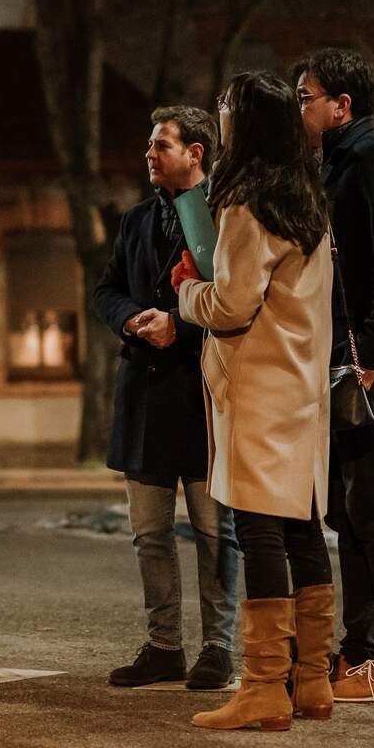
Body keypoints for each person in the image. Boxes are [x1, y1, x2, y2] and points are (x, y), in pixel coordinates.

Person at [171, 72, 335, 731]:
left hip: (256, 382)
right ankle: (312, 681)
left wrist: (186, 292)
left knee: (257, 528)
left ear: (246, 123)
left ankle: (263, 688)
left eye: (225, 111)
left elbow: (233, 303)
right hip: (300, 384)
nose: (221, 121)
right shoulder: (305, 198)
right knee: (300, 527)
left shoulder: (245, 203)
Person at [92, 106, 239, 691]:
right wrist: (131, 319)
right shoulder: (134, 221)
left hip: (203, 395)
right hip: (145, 398)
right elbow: (107, 288)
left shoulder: (224, 219)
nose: (149, 155)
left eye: (161, 145)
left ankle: (218, 647)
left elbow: (237, 301)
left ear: (195, 152)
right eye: (149, 146)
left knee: (214, 531)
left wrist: (181, 324)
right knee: (149, 533)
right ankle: (163, 647)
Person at [294, 47, 374, 703]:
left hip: (367, 367)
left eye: (306, 96)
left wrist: (369, 359)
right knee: (350, 515)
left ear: (341, 106)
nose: (300, 107)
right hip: (340, 361)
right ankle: (359, 658)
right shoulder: (336, 163)